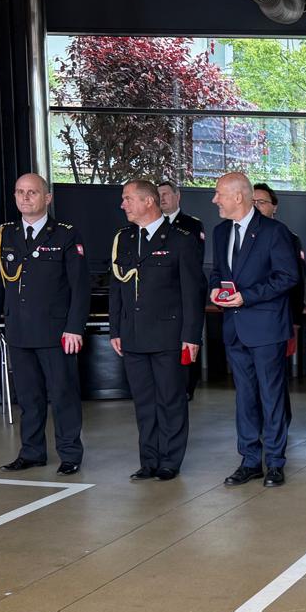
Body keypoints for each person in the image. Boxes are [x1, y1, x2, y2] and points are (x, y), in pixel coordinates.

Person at [0, 173, 89, 474]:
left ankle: (70, 454)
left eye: (32, 192)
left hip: (56, 332)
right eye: (20, 192)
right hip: (18, 330)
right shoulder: (6, 234)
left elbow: (80, 287)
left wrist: (74, 327)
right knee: (29, 397)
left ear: (47, 198)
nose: (25, 197)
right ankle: (31, 452)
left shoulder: (65, 234)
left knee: (63, 394)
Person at [108, 179, 204, 480]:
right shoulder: (124, 239)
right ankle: (148, 460)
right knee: (144, 402)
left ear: (148, 201)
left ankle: (170, 461)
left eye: (128, 199)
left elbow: (192, 292)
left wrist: (191, 336)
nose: (123, 205)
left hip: (168, 336)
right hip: (133, 334)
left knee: (170, 400)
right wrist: (115, 329)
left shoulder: (180, 239)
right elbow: (116, 287)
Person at [210, 171, 300, 489]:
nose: (215, 199)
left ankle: (275, 462)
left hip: (266, 328)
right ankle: (250, 461)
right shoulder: (221, 232)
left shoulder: (274, 232)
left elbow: (288, 276)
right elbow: (219, 271)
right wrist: (214, 289)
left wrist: (247, 296)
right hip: (234, 327)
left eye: (219, 194)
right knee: (244, 398)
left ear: (238, 196)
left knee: (271, 397)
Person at [253, 183, 306, 425]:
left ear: (274, 207)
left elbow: (296, 282)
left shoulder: (286, 236)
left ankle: (279, 423)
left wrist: (295, 320)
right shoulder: (239, 234)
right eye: (253, 202)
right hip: (248, 318)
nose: (257, 206)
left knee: (274, 378)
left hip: (277, 318)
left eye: (262, 202)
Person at [159, 179, 208, 402]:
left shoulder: (191, 224)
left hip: (185, 291)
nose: (162, 198)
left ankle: (188, 387)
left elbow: (194, 262)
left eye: (166, 194)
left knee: (189, 338)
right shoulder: (152, 224)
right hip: (162, 295)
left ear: (177, 196)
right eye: (158, 194)